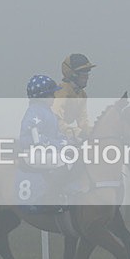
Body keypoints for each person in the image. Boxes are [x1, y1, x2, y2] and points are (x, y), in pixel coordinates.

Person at [18, 75, 69, 211]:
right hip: (33, 153)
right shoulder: (34, 112)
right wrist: (60, 144)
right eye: (52, 94)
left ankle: (62, 194)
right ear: (42, 96)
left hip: (45, 151)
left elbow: (56, 134)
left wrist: (68, 141)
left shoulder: (48, 112)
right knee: (65, 163)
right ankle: (49, 200)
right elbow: (37, 139)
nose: (54, 97)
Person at [52, 54, 96, 143]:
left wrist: (94, 131)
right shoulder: (62, 92)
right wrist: (77, 132)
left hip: (65, 135)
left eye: (87, 72)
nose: (87, 76)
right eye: (83, 73)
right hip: (50, 136)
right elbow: (55, 120)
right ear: (72, 74)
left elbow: (83, 121)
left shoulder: (82, 94)